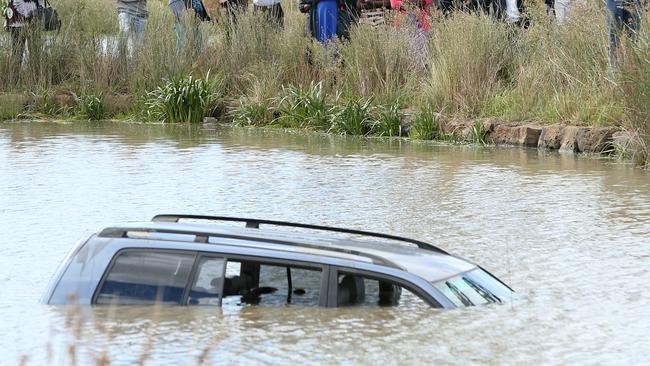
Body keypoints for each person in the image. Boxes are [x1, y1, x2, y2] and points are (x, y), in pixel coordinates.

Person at [3, 0, 46, 68]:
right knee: (17, 54)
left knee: (35, 53)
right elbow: (17, 2)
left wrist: (40, 11)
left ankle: (35, 77)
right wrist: (29, 16)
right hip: (18, 22)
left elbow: (41, 2)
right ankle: (14, 77)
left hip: (34, 22)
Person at [606, 0, 645, 68]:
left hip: (635, 2)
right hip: (614, 2)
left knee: (633, 42)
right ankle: (614, 73)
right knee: (614, 41)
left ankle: (631, 73)